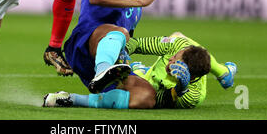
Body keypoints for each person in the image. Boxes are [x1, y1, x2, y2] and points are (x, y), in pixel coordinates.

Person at [43, 0, 167, 109]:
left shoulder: (136, 2)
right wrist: (141, 3)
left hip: (109, 60)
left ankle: (70, 99)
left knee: (146, 96)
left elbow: (125, 43)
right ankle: (103, 70)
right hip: (85, 42)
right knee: (121, 32)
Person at [43, 31, 237, 109]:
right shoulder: (176, 46)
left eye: (175, 61)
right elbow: (139, 44)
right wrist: (125, 51)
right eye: (175, 55)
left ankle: (70, 99)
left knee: (144, 98)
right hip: (164, 65)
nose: (171, 58)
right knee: (177, 36)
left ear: (188, 74)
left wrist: (179, 90)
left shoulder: (194, 96)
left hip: (155, 85)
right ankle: (224, 72)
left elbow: (160, 101)